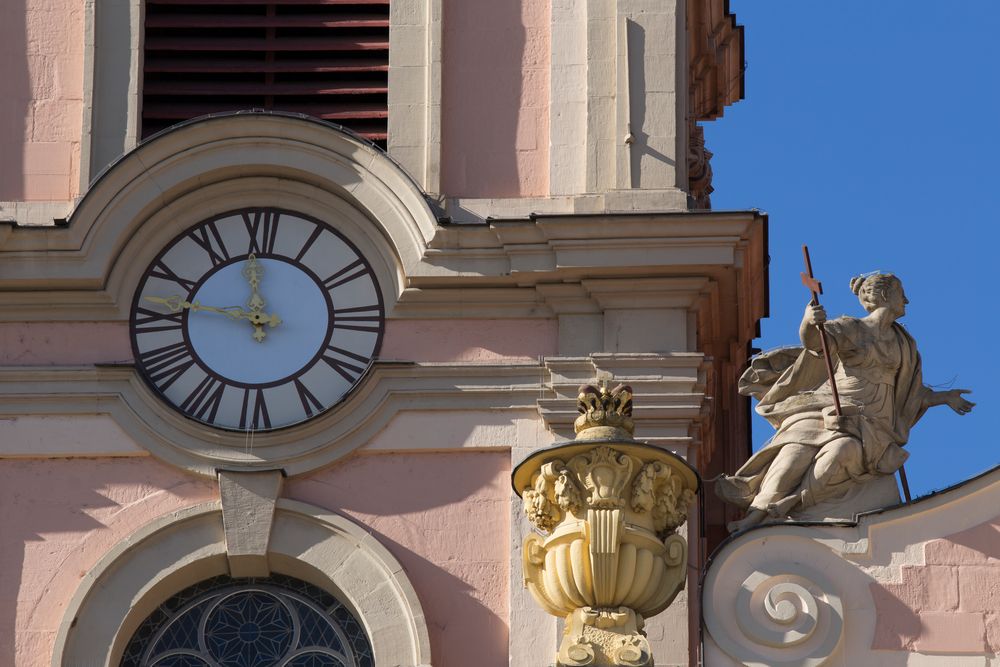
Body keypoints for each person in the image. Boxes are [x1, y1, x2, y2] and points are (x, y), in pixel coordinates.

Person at [716, 273, 974, 532]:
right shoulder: (853, 328)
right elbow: (817, 343)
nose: (905, 300)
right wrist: (808, 322)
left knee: (842, 452)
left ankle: (794, 501)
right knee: (794, 454)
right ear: (884, 296)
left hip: (871, 425)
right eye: (900, 293)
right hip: (827, 408)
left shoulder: (904, 345)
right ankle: (756, 515)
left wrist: (945, 398)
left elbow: (910, 392)